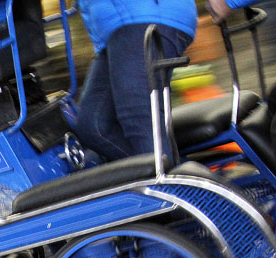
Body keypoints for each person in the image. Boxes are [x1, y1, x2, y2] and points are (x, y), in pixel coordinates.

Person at [74, 0, 198, 162]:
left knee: (139, 118)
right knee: (93, 126)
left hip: (142, 15)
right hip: (115, 28)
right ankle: (172, 173)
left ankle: (171, 182)